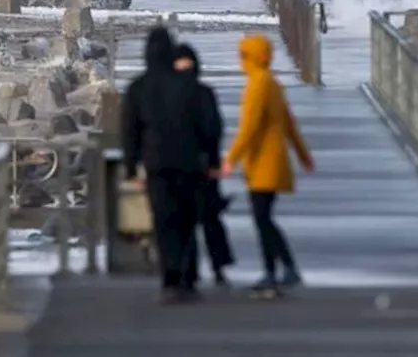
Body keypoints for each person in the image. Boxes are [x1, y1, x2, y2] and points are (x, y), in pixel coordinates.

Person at [121, 26, 209, 303]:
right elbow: (208, 127)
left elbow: (130, 131)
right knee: (186, 220)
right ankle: (188, 278)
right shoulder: (189, 85)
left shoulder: (138, 88)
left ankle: (169, 278)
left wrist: (131, 167)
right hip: (189, 163)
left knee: (164, 221)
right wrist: (213, 159)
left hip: (157, 165)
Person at [222, 33, 314, 296]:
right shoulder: (272, 83)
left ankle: (275, 271)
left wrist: (231, 158)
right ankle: (283, 269)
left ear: (249, 57)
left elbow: (249, 128)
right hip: (275, 161)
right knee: (265, 219)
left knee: (262, 220)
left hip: (262, 163)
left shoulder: (256, 85)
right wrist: (303, 155)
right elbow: (289, 123)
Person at [174, 43, 237, 287]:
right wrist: (213, 161)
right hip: (204, 165)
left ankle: (188, 270)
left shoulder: (170, 96)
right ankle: (219, 266)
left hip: (180, 166)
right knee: (210, 220)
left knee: (185, 221)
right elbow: (215, 130)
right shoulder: (204, 93)